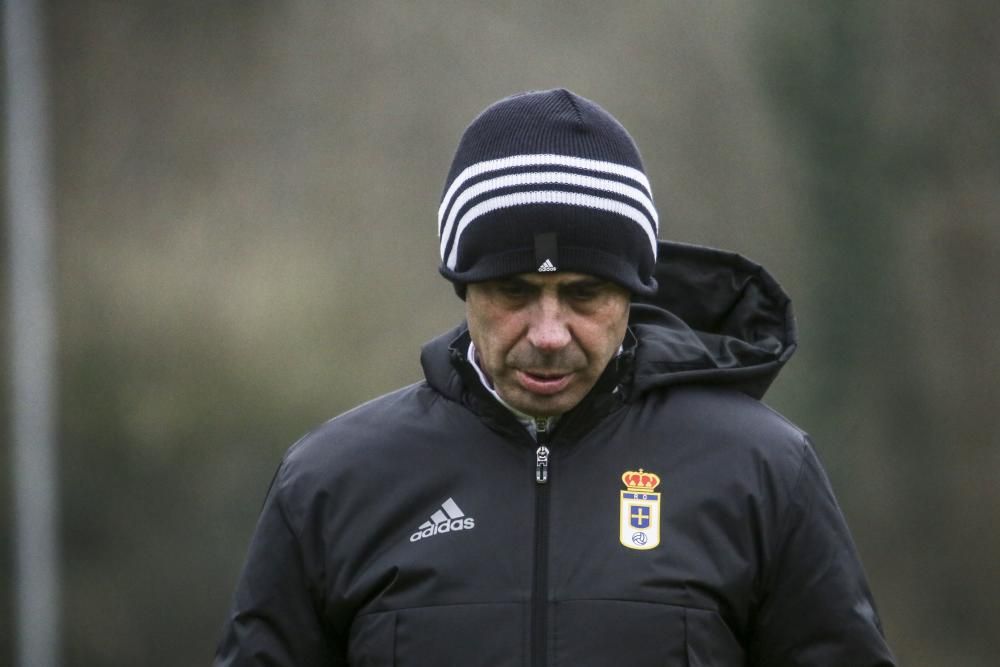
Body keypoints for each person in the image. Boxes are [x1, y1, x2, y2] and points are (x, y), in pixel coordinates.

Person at [214, 89, 895, 666]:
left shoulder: (764, 472)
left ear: (636, 290)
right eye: (513, 291)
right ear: (464, 288)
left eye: (584, 294)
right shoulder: (331, 482)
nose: (548, 333)